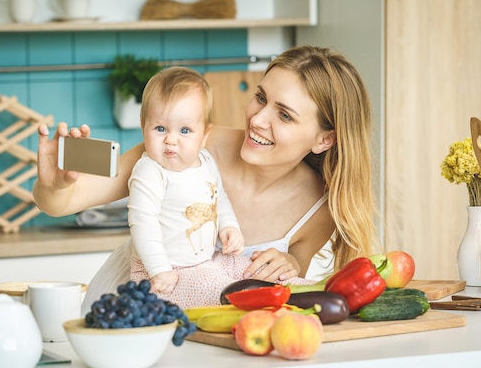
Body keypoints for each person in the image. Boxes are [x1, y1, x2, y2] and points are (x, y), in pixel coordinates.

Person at [33, 45, 379, 313]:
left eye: (284, 115)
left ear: (324, 139)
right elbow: (62, 203)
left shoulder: (318, 210)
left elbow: (280, 292)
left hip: (214, 342)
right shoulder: (190, 143)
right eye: (260, 98)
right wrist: (55, 185)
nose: (257, 119)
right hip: (131, 314)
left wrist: (288, 264)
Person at [127, 66, 245, 303]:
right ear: (143, 128)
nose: (171, 139)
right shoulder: (150, 171)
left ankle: (289, 290)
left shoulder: (206, 161)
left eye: (185, 130)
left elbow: (218, 198)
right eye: (160, 129)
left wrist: (229, 226)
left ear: (204, 135)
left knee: (249, 268)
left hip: (205, 261)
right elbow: (143, 224)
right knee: (221, 291)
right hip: (164, 272)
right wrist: (159, 269)